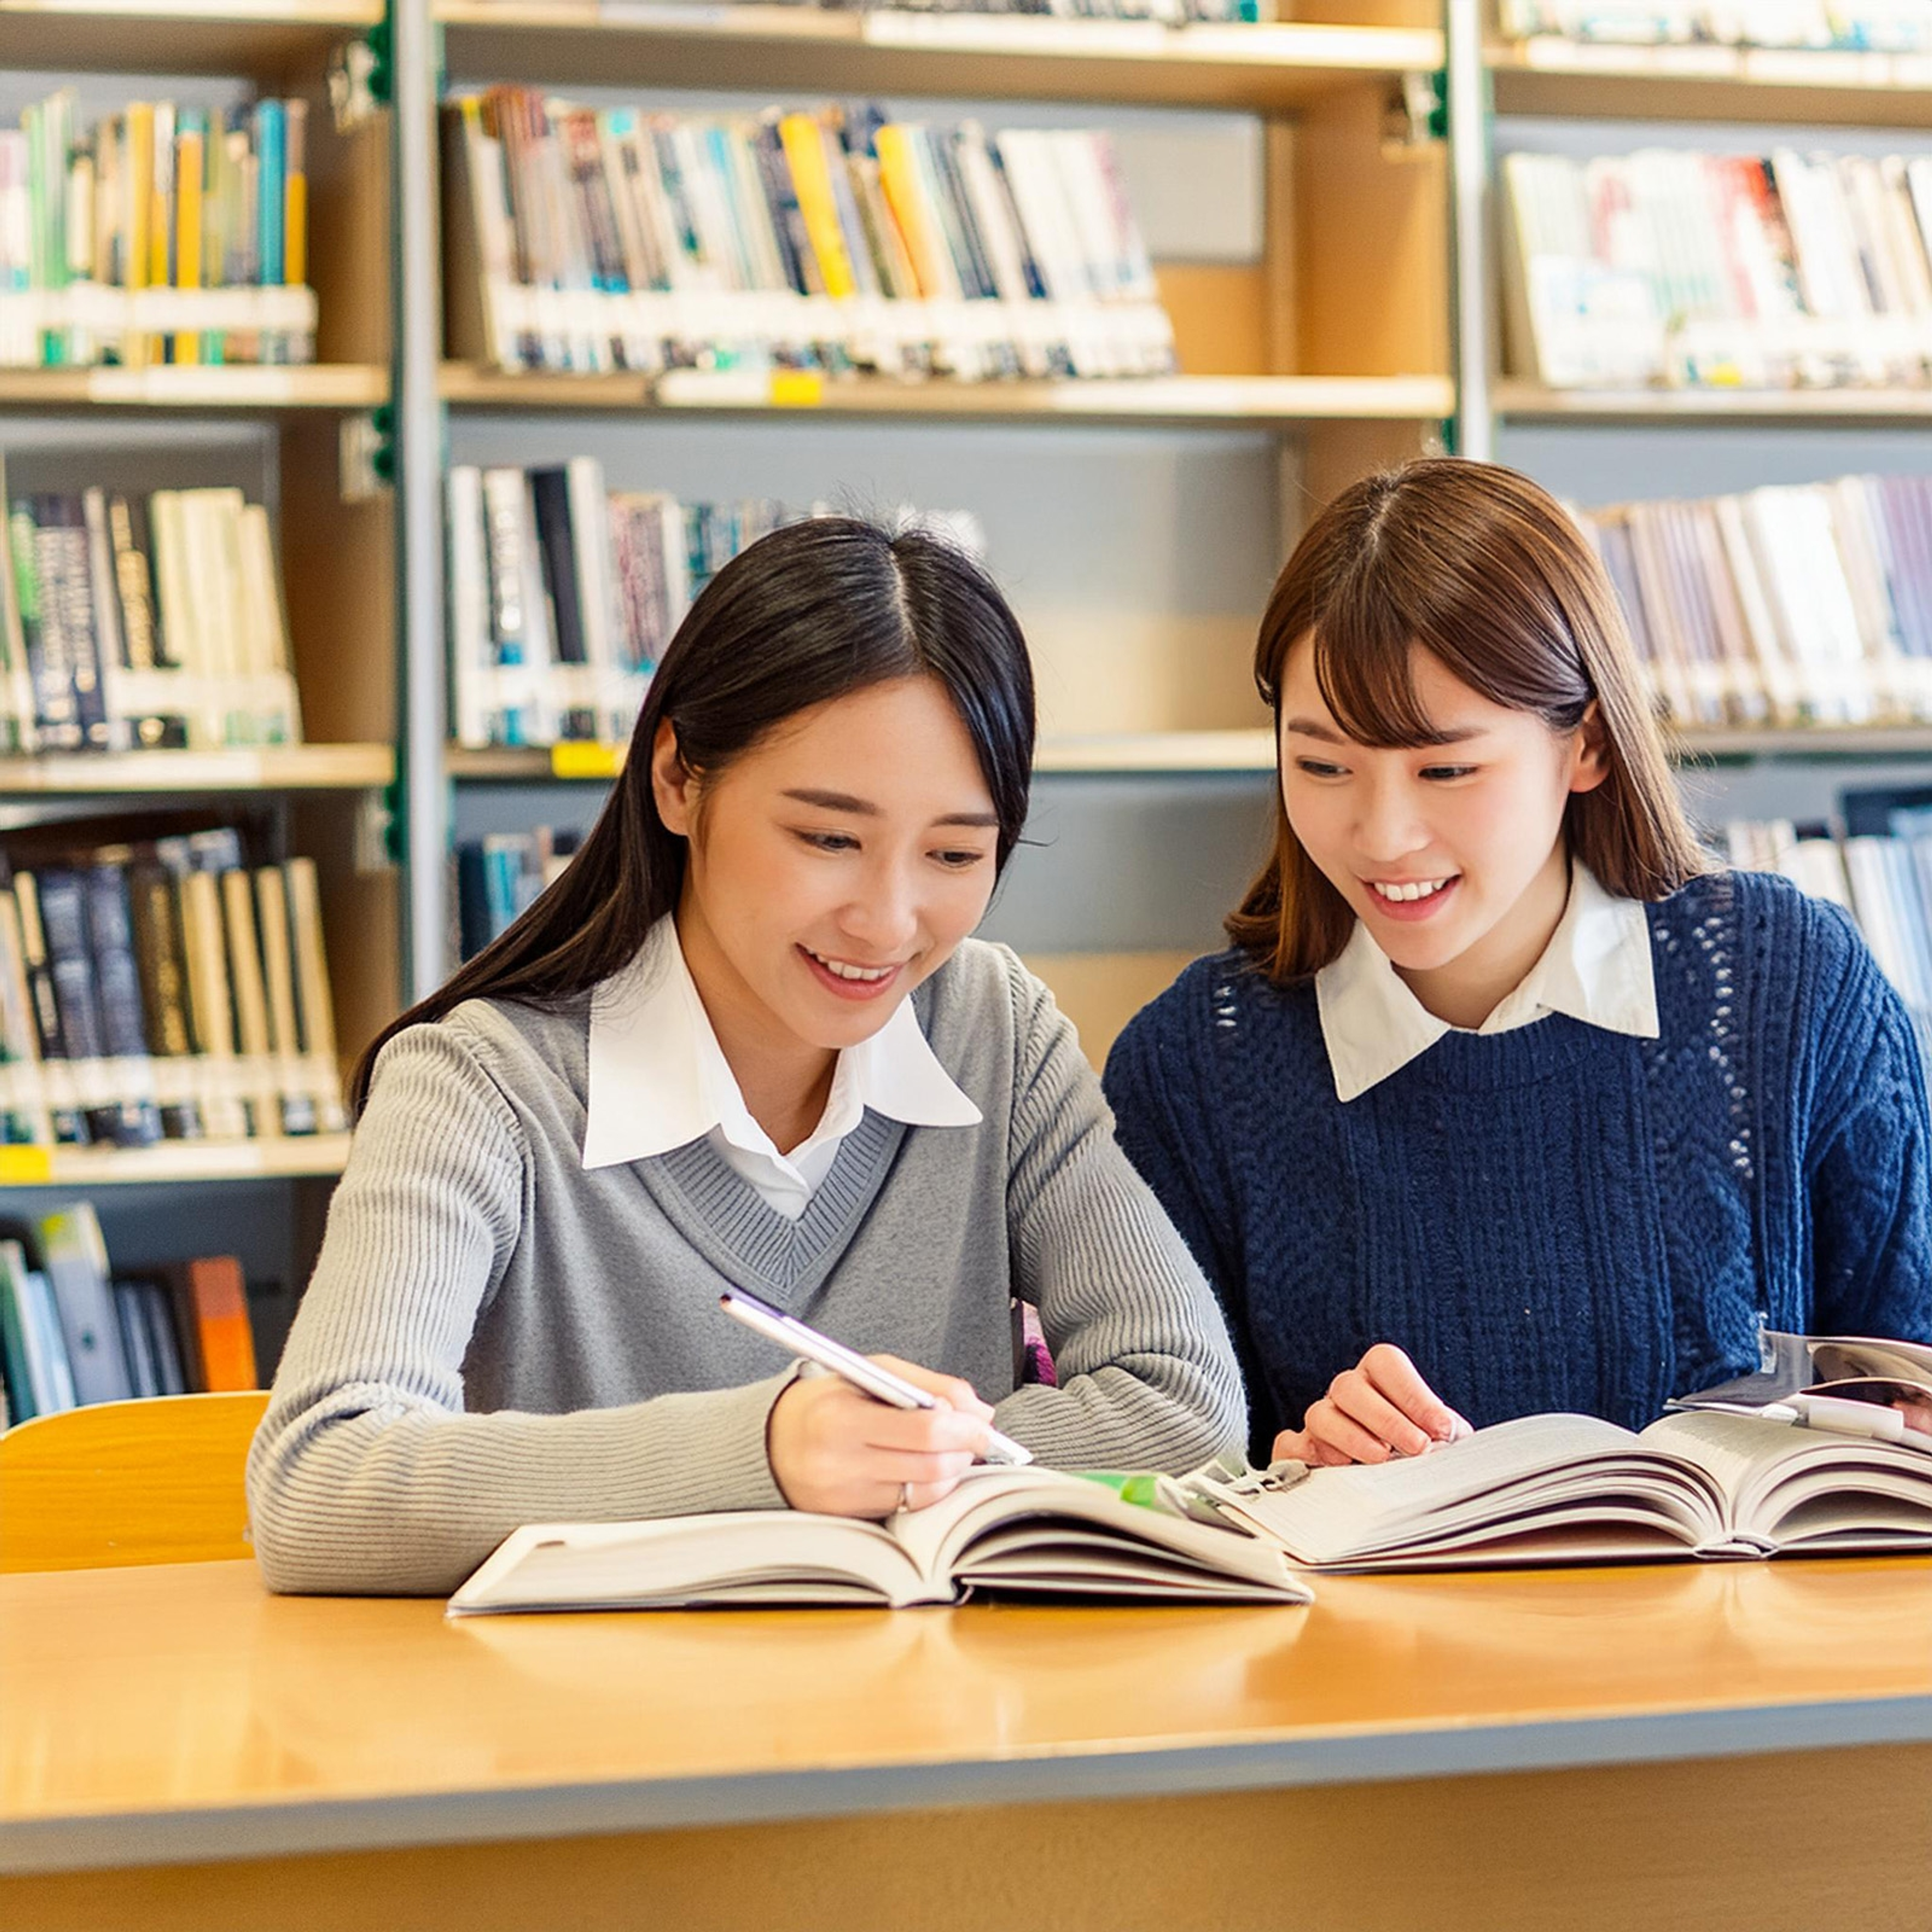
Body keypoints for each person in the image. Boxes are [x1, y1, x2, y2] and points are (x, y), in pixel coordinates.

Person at [248, 517, 1245, 1593]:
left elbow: (1186, 1409)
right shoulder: (481, 1083)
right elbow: (318, 1482)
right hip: (587, 1699)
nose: (887, 921)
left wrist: (897, 1463)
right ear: (679, 781)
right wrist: (765, 1456)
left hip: (922, 1691)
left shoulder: (993, 1029)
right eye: (828, 839)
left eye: (955, 853)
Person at [1103, 457, 1932, 1470]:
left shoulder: (1794, 989)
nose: (1383, 835)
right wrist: (1291, 1472)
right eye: (1322, 764)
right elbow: (1163, 1491)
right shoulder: (1192, 1070)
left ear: (1586, 746)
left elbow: (1908, 1396)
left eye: (1446, 768)